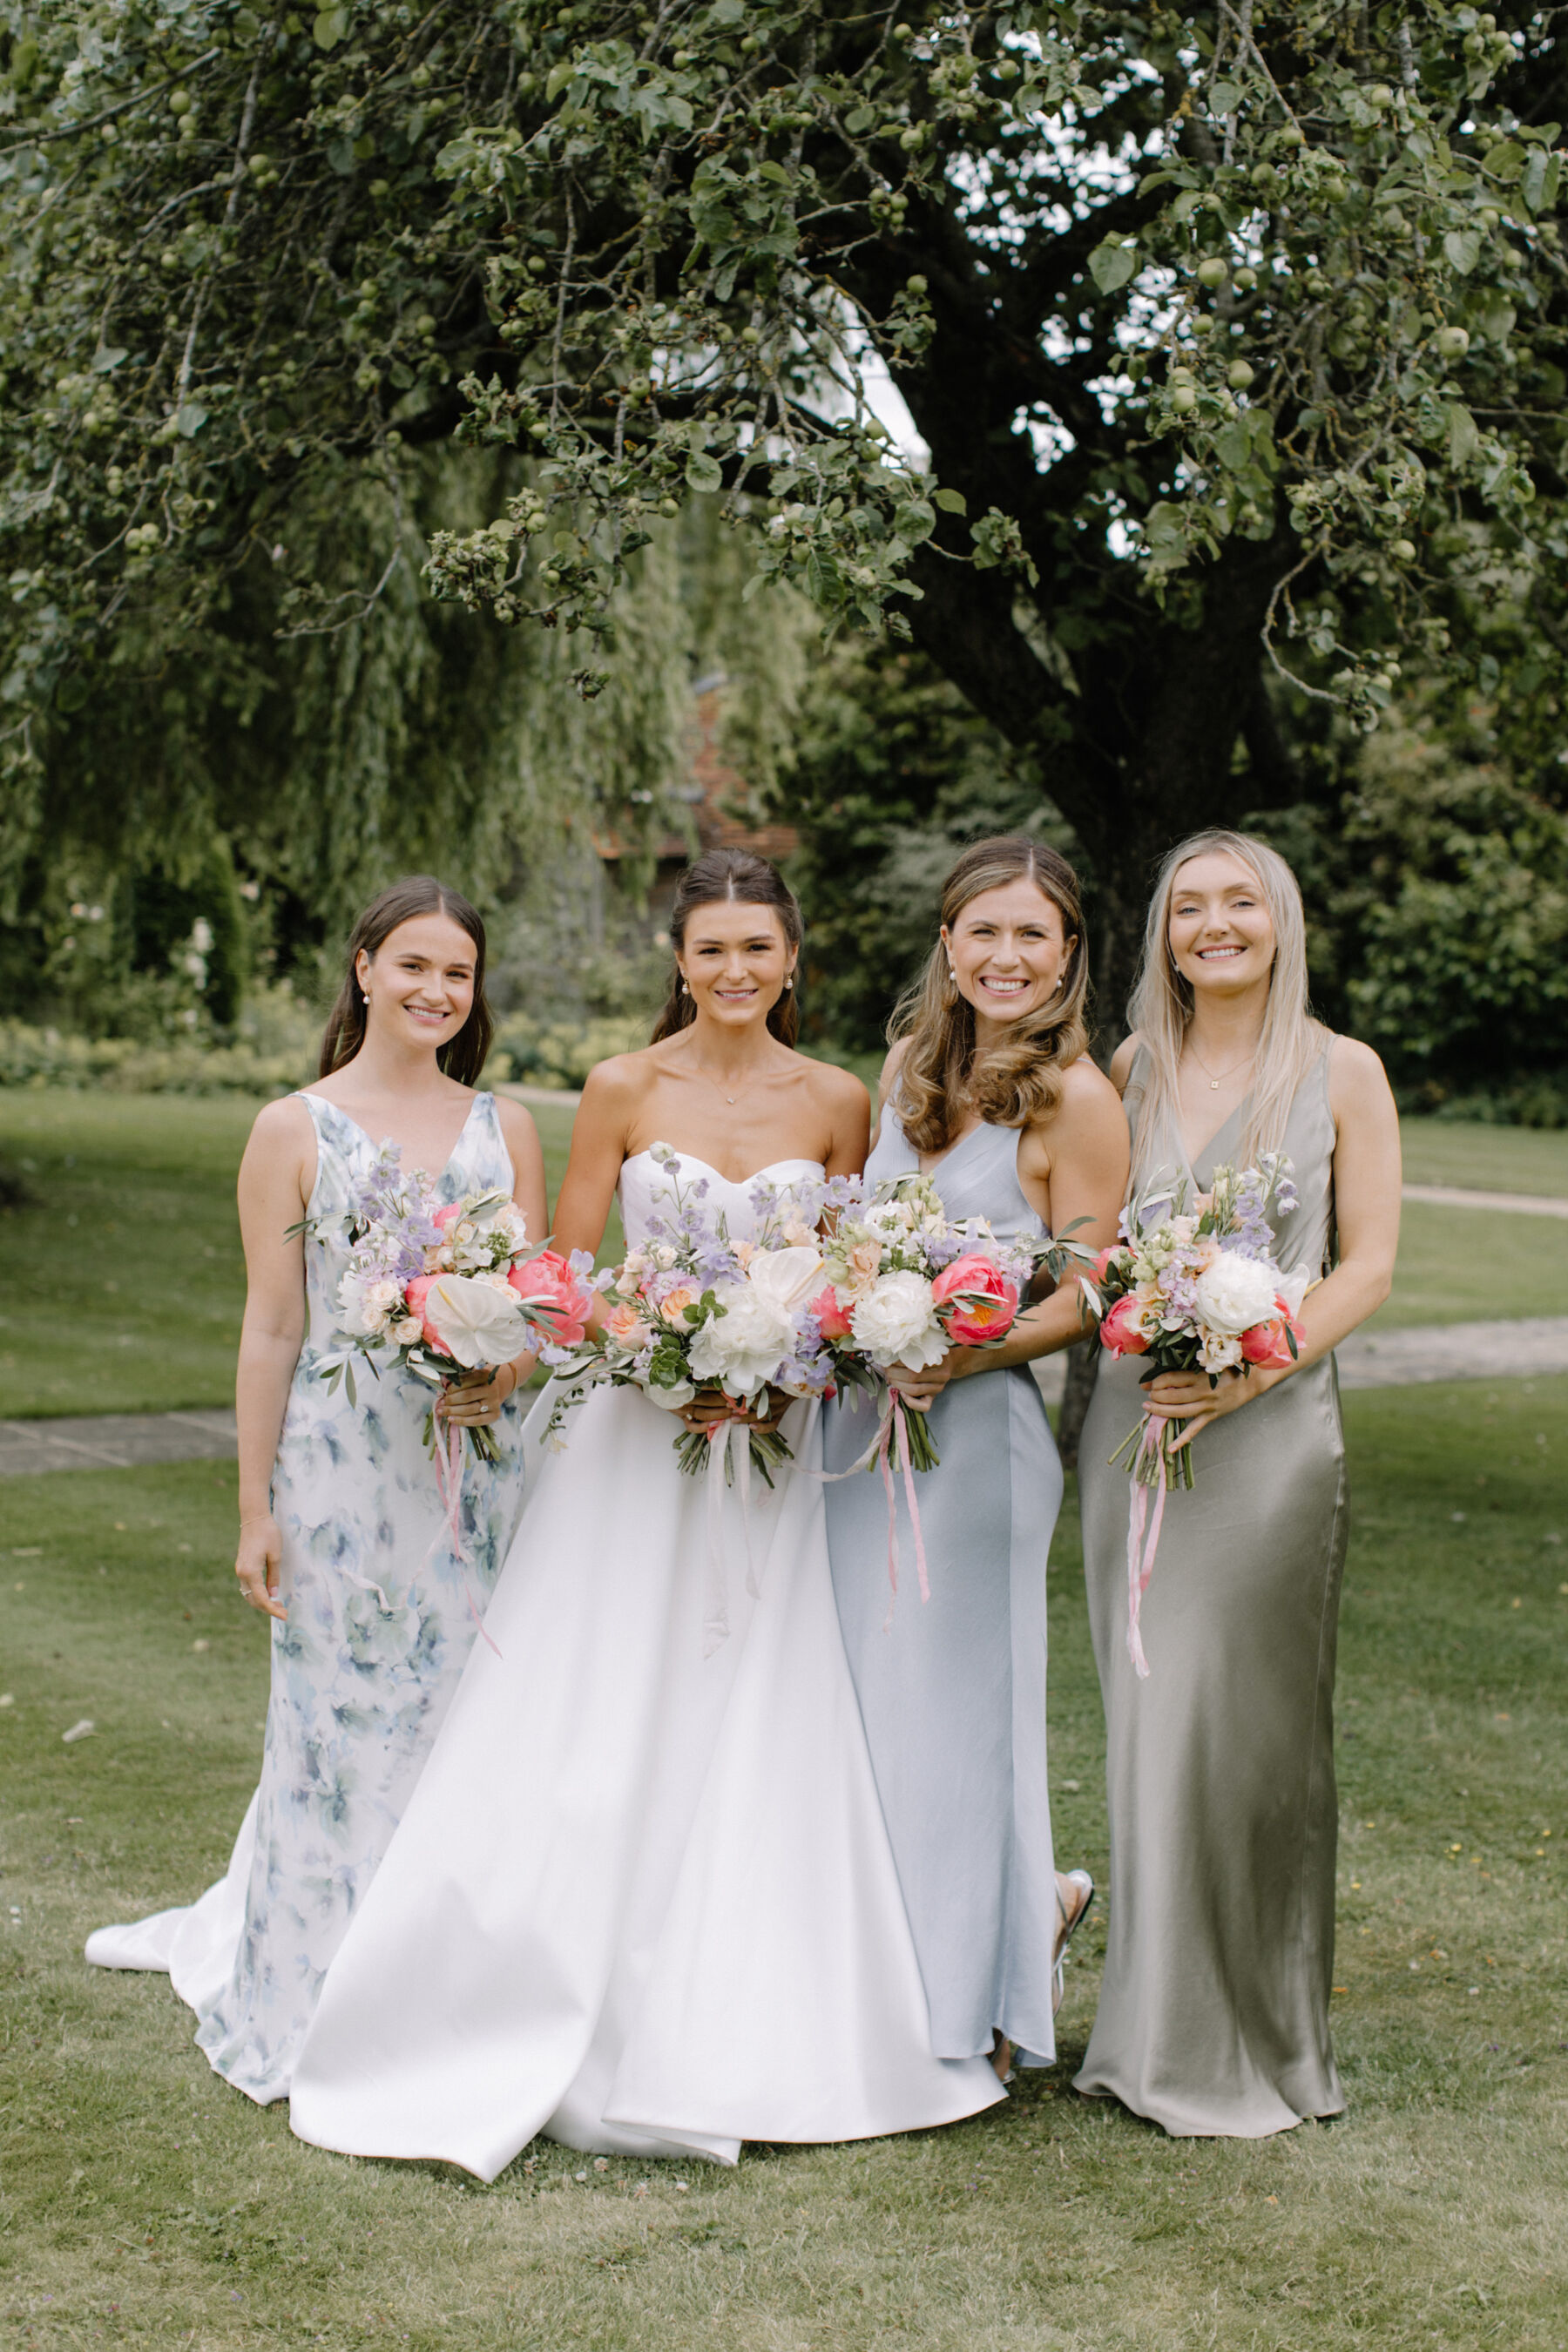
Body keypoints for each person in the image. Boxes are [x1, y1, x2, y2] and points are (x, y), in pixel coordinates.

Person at [287, 847, 1010, 2179]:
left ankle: (753, 2000)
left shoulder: (843, 1099)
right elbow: (569, 1272)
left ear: (794, 962)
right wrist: (642, 1354)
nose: (735, 970)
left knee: (763, 1707)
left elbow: (850, 1278)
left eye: (759, 948)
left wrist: (777, 1377)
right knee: (598, 1702)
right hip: (636, 1440)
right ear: (679, 963)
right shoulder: (623, 1088)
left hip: (772, 1453)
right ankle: (533, 1980)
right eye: (711, 948)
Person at [84, 876, 545, 2105]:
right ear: (362, 970)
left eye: (456, 973)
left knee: (462, 1725)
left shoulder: (507, 1126)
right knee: (336, 1732)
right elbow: (271, 1328)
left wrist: (500, 1368)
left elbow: (538, 1309)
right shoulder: (294, 1128)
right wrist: (255, 1510)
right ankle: (309, 1993)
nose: (436, 992)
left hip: (476, 1471)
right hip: (340, 1472)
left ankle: (445, 1995)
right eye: (413, 967)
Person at [1074, 828, 1401, 2137]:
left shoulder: (1343, 1070)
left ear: (1281, 920)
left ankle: (1258, 2045)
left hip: (1267, 1439)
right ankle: (1148, 2038)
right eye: (1189, 907)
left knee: (1250, 1735)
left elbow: (1368, 1264)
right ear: (1162, 931)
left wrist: (1250, 1372)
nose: (1215, 925)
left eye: (1240, 903)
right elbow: (1098, 1250)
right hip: (1135, 1430)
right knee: (1151, 1725)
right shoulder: (1131, 1067)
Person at [823, 836, 1127, 2081]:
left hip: (983, 1439)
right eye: (984, 932)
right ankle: (904, 1968)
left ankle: (979, 2005)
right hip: (860, 1432)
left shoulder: (1082, 1101)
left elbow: (1094, 1295)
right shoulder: (904, 1071)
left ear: (1067, 959)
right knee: (868, 1704)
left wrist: (968, 1349)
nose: (1006, 957)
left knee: (967, 1720)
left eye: (1033, 936)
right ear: (947, 944)